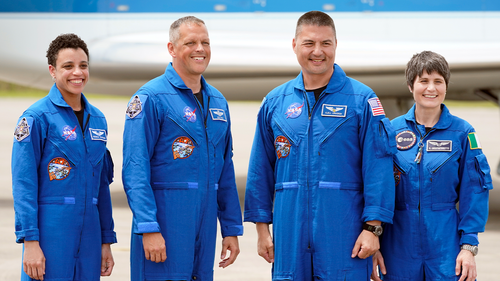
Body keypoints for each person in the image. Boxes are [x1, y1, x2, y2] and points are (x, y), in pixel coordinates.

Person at [244, 10, 396, 280]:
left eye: (326, 43)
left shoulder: (361, 100)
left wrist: (373, 229)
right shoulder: (275, 103)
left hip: (344, 235)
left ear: (336, 45)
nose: (318, 51)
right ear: (294, 45)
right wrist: (262, 230)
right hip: (290, 235)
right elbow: (260, 171)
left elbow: (378, 168)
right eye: (309, 43)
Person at [122, 16, 243, 281]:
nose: (200, 49)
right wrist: (148, 227)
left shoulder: (218, 103)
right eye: (190, 42)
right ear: (172, 48)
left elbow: (225, 170)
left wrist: (231, 228)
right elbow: (135, 167)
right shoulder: (150, 98)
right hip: (166, 225)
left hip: (205, 225)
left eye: (205, 42)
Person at [371, 51, 493, 281]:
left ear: (446, 86)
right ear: (410, 85)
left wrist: (468, 246)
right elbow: (375, 188)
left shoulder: (462, 133)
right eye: (423, 81)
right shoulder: (390, 131)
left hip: (445, 243)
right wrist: (374, 239)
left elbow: (475, 190)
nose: (431, 88)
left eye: (438, 81)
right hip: (397, 243)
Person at [11, 33, 116, 281]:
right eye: (68, 66)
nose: (77, 73)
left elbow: (102, 187)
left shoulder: (98, 120)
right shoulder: (36, 118)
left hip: (90, 236)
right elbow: (24, 184)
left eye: (83, 66)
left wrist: (106, 240)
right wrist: (31, 242)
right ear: (52, 70)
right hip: (51, 232)